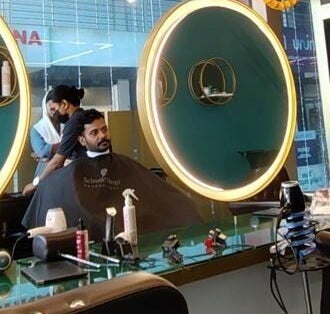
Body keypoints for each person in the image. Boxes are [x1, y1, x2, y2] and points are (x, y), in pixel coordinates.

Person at [22, 109, 200, 239]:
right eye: (94, 133)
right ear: (82, 140)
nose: (102, 135)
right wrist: (40, 184)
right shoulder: (73, 172)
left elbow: (156, 193)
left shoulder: (126, 165)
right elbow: (50, 188)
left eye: (104, 129)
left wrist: (186, 207)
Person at [23, 85, 86, 194]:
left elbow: (57, 162)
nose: (53, 114)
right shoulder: (85, 116)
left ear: (64, 104)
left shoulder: (73, 123)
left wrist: (35, 184)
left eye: (53, 109)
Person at [29, 89, 61, 180]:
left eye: (56, 106)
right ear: (45, 105)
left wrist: (49, 151)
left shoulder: (67, 125)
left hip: (66, 173)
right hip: (45, 175)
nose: (53, 110)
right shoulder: (37, 129)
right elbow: (41, 152)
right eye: (51, 108)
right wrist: (66, 144)